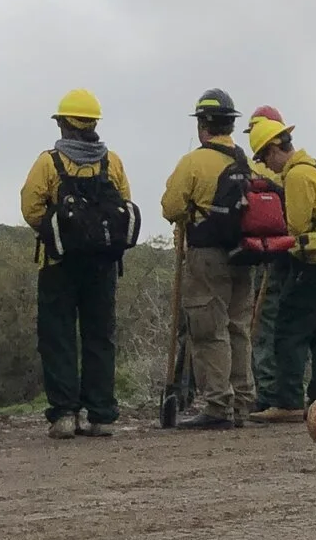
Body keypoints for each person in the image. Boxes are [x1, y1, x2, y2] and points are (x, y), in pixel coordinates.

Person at [19, 88, 134, 439]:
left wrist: (59, 235)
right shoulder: (111, 162)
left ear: (65, 124)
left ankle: (65, 415)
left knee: (58, 337)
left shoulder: (48, 162)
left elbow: (31, 208)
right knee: (100, 336)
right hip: (103, 265)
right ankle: (100, 415)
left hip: (58, 264)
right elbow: (125, 202)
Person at [246, 116, 316, 423]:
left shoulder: (296, 176)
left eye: (264, 157)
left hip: (309, 263)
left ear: (273, 149)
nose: (266, 165)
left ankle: (288, 401)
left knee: (289, 331)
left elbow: (295, 225)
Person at [161, 87, 253, 429]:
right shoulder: (247, 162)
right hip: (243, 255)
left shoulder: (193, 162)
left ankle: (217, 405)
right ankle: (242, 402)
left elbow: (171, 207)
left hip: (207, 256)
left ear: (203, 124)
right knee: (238, 328)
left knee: (209, 329)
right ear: (229, 125)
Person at [246, 102, 289, 413]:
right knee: (290, 326)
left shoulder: (257, 170)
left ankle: (268, 394)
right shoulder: (304, 168)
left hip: (267, 257)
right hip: (295, 257)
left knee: (264, 325)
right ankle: (288, 390)